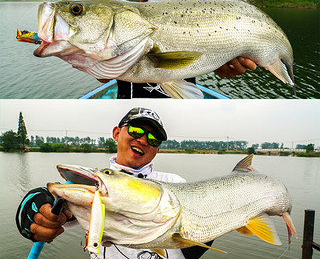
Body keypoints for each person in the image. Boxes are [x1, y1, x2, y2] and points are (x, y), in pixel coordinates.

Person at [16, 107, 212, 259]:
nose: (144, 140)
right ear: (117, 133)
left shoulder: (175, 184)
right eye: (136, 131)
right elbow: (64, 208)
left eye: (154, 139)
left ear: (157, 148)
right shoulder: (95, 185)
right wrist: (39, 205)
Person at [112, 0, 257, 98]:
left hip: (181, 107)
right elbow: (102, 75)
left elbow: (208, 52)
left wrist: (220, 60)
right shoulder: (119, 21)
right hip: (130, 109)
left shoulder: (188, 14)